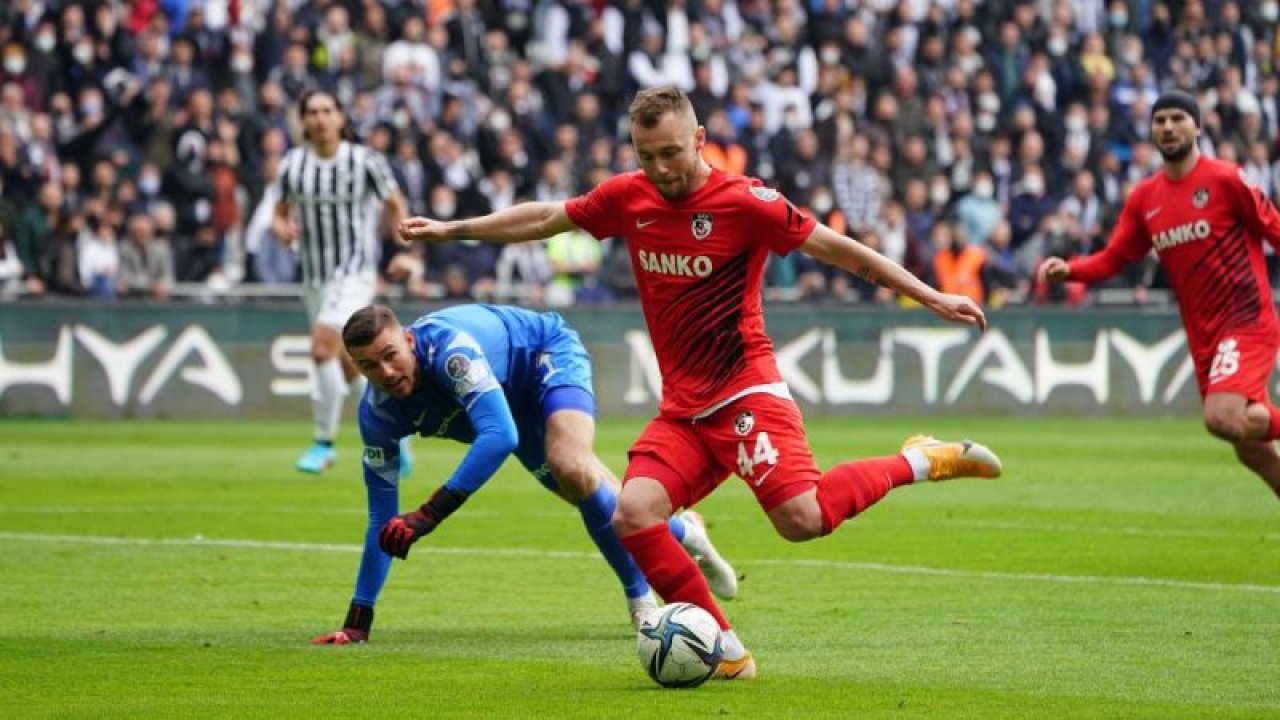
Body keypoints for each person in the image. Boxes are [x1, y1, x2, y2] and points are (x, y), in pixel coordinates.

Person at [398, 86, 1003, 679]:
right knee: (632, 513)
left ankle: (918, 460)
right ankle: (729, 651)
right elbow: (549, 217)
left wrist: (930, 296)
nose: (660, 169)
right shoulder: (628, 197)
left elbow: (839, 250)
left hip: (745, 390)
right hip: (684, 409)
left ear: (700, 141)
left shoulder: (747, 202)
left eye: (671, 153)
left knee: (803, 519)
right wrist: (454, 230)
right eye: (646, 156)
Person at [312, 304, 738, 644]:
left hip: (542, 355)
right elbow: (380, 522)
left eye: (391, 356)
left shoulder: (449, 352)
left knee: (571, 465)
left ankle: (640, 598)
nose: (386, 373)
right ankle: (682, 530)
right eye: (369, 366)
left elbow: (499, 437)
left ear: (408, 341)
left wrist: (429, 513)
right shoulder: (377, 417)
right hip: (506, 402)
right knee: (586, 490)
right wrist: (358, 618)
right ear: (354, 368)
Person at [1040, 90, 1280, 501]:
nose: (1168, 127)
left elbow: (1275, 227)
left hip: (1246, 319)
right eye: (1160, 121)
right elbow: (1116, 256)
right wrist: (1071, 270)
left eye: (1178, 119)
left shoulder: (1225, 179)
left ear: (1197, 127)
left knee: (1222, 418)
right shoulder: (1144, 199)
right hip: (1203, 336)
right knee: (1249, 447)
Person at [271, 88, 409, 474]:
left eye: (326, 110)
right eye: (311, 112)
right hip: (314, 277)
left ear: (340, 117)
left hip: (355, 273)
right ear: (303, 120)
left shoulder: (365, 161)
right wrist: (282, 229)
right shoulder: (292, 165)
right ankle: (396, 429)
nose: (319, 118)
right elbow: (278, 213)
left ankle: (323, 443)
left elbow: (394, 203)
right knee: (351, 365)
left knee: (321, 349)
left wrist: (404, 245)